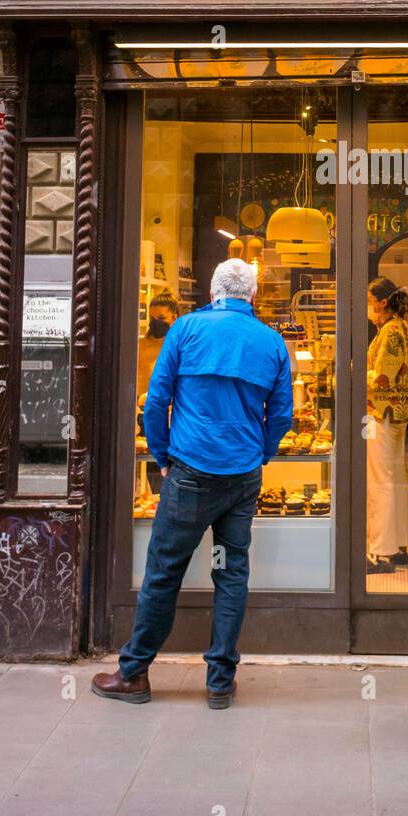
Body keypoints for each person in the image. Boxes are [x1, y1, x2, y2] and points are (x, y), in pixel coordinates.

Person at [92, 258, 293, 709]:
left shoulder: (185, 330)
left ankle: (134, 673)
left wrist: (161, 457)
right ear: (253, 297)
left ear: (212, 291)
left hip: (189, 475)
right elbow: (281, 415)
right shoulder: (272, 342)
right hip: (241, 479)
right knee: (231, 573)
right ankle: (220, 682)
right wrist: (257, 454)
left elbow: (156, 400)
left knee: (163, 572)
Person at [366, 277, 408, 574]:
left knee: (379, 481)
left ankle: (380, 551)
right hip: (398, 414)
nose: (368, 306)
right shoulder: (404, 327)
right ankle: (399, 544)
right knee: (394, 479)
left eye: (369, 300)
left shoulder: (390, 332)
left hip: (382, 412)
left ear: (381, 301)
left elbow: (382, 378)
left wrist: (354, 372)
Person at [136, 291, 180, 395]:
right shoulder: (140, 345)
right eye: (152, 318)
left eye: (161, 318)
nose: (156, 322)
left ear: (174, 318)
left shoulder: (180, 348)